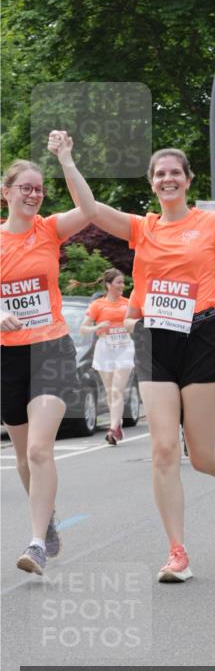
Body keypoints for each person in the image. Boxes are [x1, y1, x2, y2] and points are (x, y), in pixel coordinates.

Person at [89, 143, 215, 583]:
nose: (167, 179)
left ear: (188, 179)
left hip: (202, 337)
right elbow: (88, 207)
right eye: (159, 174)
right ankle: (177, 552)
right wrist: (68, 159)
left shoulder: (212, 224)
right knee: (163, 449)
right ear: (151, 182)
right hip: (155, 339)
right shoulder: (141, 228)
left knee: (200, 456)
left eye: (174, 173)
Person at [1, 132, 97, 575]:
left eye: (39, 189)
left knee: (40, 450)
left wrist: (66, 159)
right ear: (6, 193)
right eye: (25, 187)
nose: (34, 194)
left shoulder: (50, 229)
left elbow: (90, 210)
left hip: (52, 348)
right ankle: (49, 519)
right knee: (23, 458)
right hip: (9, 356)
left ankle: (37, 543)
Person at [80, 268, 134, 445]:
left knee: (117, 390)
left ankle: (112, 428)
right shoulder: (98, 305)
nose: (122, 286)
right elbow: (83, 329)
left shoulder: (128, 303)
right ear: (109, 285)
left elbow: (137, 323)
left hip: (125, 348)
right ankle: (116, 425)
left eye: (123, 282)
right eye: (118, 282)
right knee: (111, 391)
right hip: (105, 348)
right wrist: (97, 327)